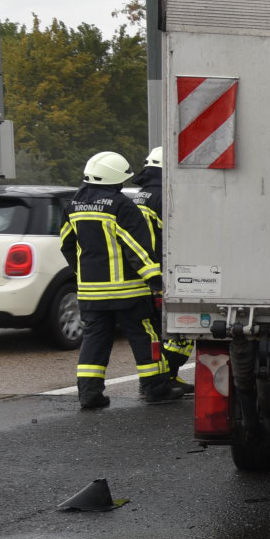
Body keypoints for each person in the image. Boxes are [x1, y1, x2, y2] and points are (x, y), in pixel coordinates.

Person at [59, 151, 189, 409]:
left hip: (91, 293)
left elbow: (66, 245)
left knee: (94, 341)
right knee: (144, 337)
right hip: (127, 292)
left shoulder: (72, 206)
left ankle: (89, 394)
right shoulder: (120, 205)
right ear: (115, 179)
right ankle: (155, 388)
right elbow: (135, 247)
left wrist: (82, 274)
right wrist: (154, 278)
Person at [129, 146, 192, 380]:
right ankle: (166, 376)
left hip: (145, 271)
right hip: (166, 271)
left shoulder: (140, 195)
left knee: (158, 331)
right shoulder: (167, 196)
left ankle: (165, 377)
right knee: (181, 334)